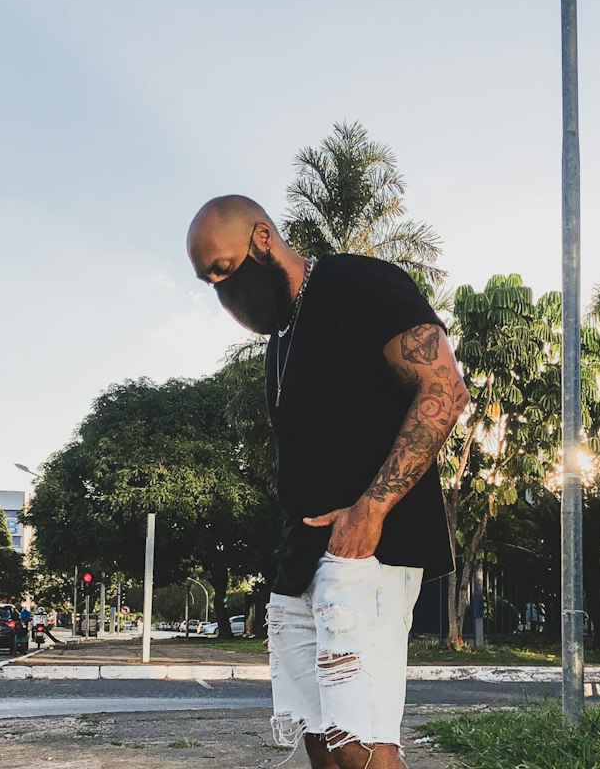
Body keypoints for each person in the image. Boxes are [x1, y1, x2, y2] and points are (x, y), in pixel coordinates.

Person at [187, 196, 469, 769]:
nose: (221, 289)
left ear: (262, 240)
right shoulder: (281, 342)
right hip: (303, 556)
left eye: (223, 268)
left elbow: (444, 391)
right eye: (208, 279)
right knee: (318, 735)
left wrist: (371, 510)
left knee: (359, 740)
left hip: (368, 548)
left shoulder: (357, 283)